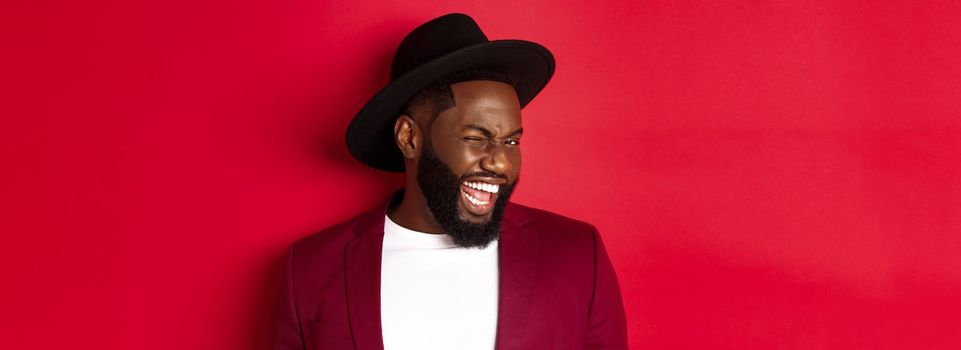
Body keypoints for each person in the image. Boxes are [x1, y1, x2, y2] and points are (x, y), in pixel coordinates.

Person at [272, 13, 627, 350]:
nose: (501, 161)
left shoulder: (578, 255)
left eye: (512, 141)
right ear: (409, 137)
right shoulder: (310, 268)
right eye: (476, 137)